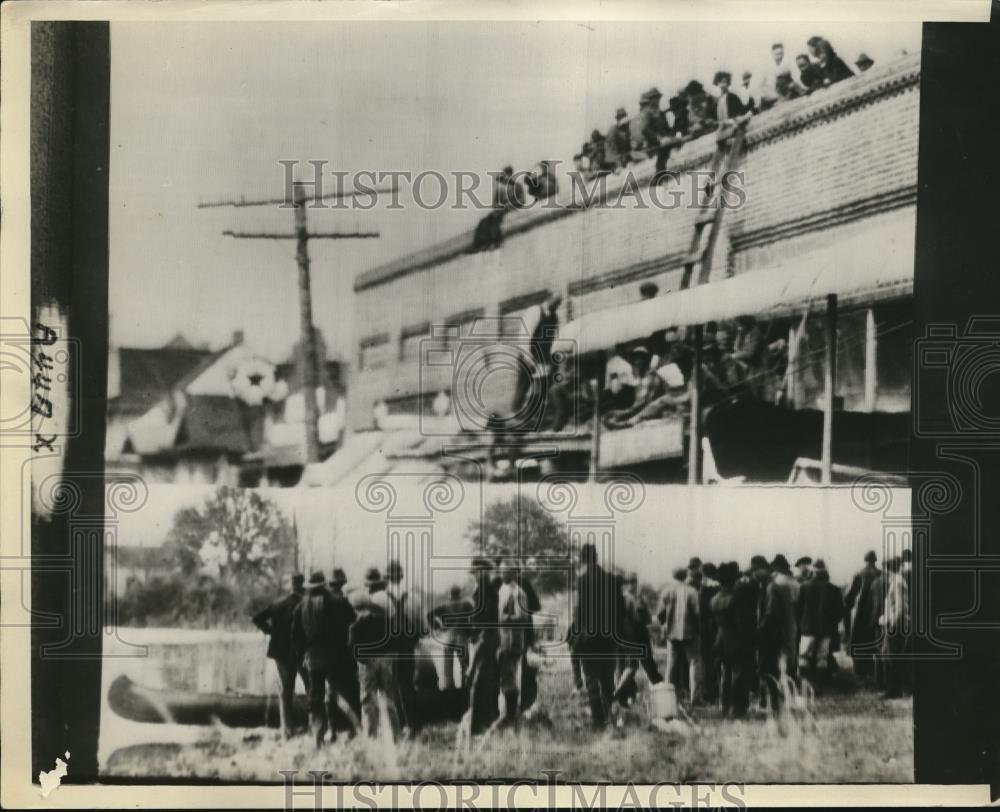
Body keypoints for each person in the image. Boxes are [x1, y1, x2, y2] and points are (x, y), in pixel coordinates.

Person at [292, 571, 358, 747]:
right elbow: (351, 625)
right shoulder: (339, 602)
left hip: (313, 659)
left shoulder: (301, 607)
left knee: (316, 697)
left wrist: (304, 653)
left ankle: (319, 736)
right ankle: (353, 728)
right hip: (336, 657)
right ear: (324, 585)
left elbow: (296, 637)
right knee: (342, 692)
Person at [570, 543, 627, 728]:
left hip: (589, 637)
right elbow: (621, 610)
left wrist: (577, 633)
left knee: (591, 678)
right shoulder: (612, 579)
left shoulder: (582, 580)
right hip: (609, 637)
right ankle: (609, 714)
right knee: (608, 677)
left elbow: (579, 610)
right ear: (596, 557)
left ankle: (598, 720)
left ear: (582, 559)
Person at [252, 572, 309, 739]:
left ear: (291, 585)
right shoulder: (305, 603)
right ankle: (312, 725)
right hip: (300, 652)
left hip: (281, 652)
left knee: (286, 690)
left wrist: (271, 631)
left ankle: (286, 729)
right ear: (303, 585)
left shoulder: (278, 603)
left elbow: (257, 618)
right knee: (311, 687)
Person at [349, 567, 401, 740]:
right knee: (389, 698)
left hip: (367, 664)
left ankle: (371, 735)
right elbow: (394, 639)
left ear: (355, 607)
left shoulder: (355, 626)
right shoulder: (383, 619)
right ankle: (395, 735)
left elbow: (352, 648)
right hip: (386, 660)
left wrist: (361, 660)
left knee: (367, 700)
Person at [385, 559, 426, 736]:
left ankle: (398, 725)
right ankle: (413, 723)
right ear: (402, 576)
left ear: (387, 577)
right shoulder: (415, 598)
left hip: (388, 648)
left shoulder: (380, 599)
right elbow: (424, 629)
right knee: (408, 685)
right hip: (408, 647)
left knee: (392, 687)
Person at [711, 562, 756, 718]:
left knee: (726, 674)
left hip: (721, 638)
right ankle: (738, 709)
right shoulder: (737, 598)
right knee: (739, 674)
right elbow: (741, 623)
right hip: (736, 639)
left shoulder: (715, 599)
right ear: (733, 580)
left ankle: (725, 706)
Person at [512, 292, 563, 423]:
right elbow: (524, 336)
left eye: (559, 302)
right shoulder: (535, 312)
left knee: (542, 386)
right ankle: (516, 415)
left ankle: (533, 414)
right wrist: (527, 358)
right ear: (548, 298)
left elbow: (554, 338)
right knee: (523, 385)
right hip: (528, 355)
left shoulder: (554, 317)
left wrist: (553, 358)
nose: (558, 304)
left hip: (543, 358)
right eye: (556, 301)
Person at [614, 572, 664, 706]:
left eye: (634, 581)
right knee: (644, 666)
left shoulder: (621, 598)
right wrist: (650, 619)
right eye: (631, 582)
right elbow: (643, 619)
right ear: (627, 584)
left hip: (622, 637)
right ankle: (659, 693)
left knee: (623, 666)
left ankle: (624, 697)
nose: (633, 584)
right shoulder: (635, 599)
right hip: (637, 636)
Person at [466, 557, 502, 734]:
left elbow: (486, 615)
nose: (474, 576)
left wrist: (473, 625)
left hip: (487, 637)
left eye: (477, 573)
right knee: (489, 680)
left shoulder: (484, 590)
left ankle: (479, 724)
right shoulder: (488, 589)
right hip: (489, 636)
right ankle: (489, 720)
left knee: (479, 682)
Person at [494, 560, 531, 728]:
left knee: (509, 676)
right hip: (502, 638)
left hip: (512, 640)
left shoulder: (518, 593)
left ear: (514, 572)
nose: (502, 573)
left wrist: (503, 618)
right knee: (504, 677)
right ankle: (506, 714)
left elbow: (523, 617)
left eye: (506, 570)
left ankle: (510, 717)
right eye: (501, 570)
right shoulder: (502, 590)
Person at [797, 560, 844, 690]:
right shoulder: (834, 589)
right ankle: (820, 685)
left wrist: (801, 622)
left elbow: (798, 609)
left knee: (804, 656)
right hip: (826, 628)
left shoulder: (804, 587)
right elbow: (840, 611)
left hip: (807, 628)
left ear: (813, 571)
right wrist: (832, 623)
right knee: (822, 657)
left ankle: (805, 685)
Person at [658, 566, 701, 704]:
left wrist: (665, 625)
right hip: (690, 632)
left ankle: (669, 697)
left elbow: (660, 614)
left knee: (671, 664)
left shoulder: (666, 591)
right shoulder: (692, 591)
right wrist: (697, 629)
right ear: (686, 575)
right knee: (694, 662)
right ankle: (695, 697)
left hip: (672, 632)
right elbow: (697, 613)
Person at [603, 346, 666, 429]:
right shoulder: (637, 379)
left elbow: (646, 402)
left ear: (646, 360)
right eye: (635, 358)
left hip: (648, 409)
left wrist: (625, 412)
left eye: (641, 358)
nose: (638, 361)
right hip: (637, 409)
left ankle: (627, 423)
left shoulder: (652, 378)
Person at [752, 555, 786, 711]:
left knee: (767, 668)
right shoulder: (767, 585)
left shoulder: (771, 587)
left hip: (769, 635)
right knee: (766, 668)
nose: (754, 574)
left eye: (755, 571)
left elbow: (771, 614)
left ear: (763, 569)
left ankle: (771, 702)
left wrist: (759, 631)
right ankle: (767, 701)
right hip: (770, 634)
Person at [843, 550, 881, 681]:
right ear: (875, 560)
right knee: (872, 640)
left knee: (858, 640)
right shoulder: (881, 574)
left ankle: (860, 670)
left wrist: (848, 607)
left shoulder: (859, 574)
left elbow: (849, 596)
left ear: (865, 560)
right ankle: (871, 669)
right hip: (875, 612)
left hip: (860, 613)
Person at [430, 585, 474, 692]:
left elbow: (429, 615)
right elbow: (473, 618)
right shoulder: (467, 604)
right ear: (459, 594)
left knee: (448, 665)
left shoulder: (444, 605)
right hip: (462, 636)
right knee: (464, 665)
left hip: (448, 636)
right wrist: (471, 632)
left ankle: (449, 689)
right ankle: (465, 688)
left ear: (450, 594)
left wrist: (437, 626)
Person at [880, 556, 910, 699]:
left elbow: (899, 607)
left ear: (888, 568)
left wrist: (893, 624)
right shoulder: (897, 580)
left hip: (896, 624)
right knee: (890, 655)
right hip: (898, 623)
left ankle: (893, 689)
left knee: (890, 656)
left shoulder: (897, 582)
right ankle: (895, 688)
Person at [770, 554, 800, 681]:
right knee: (791, 647)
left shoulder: (777, 582)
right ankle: (792, 674)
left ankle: (782, 677)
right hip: (794, 617)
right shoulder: (795, 582)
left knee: (780, 650)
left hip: (781, 617)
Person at [759, 42, 790, 110]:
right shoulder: (766, 68)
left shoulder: (786, 65)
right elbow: (760, 85)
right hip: (772, 98)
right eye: (777, 54)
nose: (780, 56)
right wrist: (766, 97)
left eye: (781, 53)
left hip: (784, 96)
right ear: (772, 54)